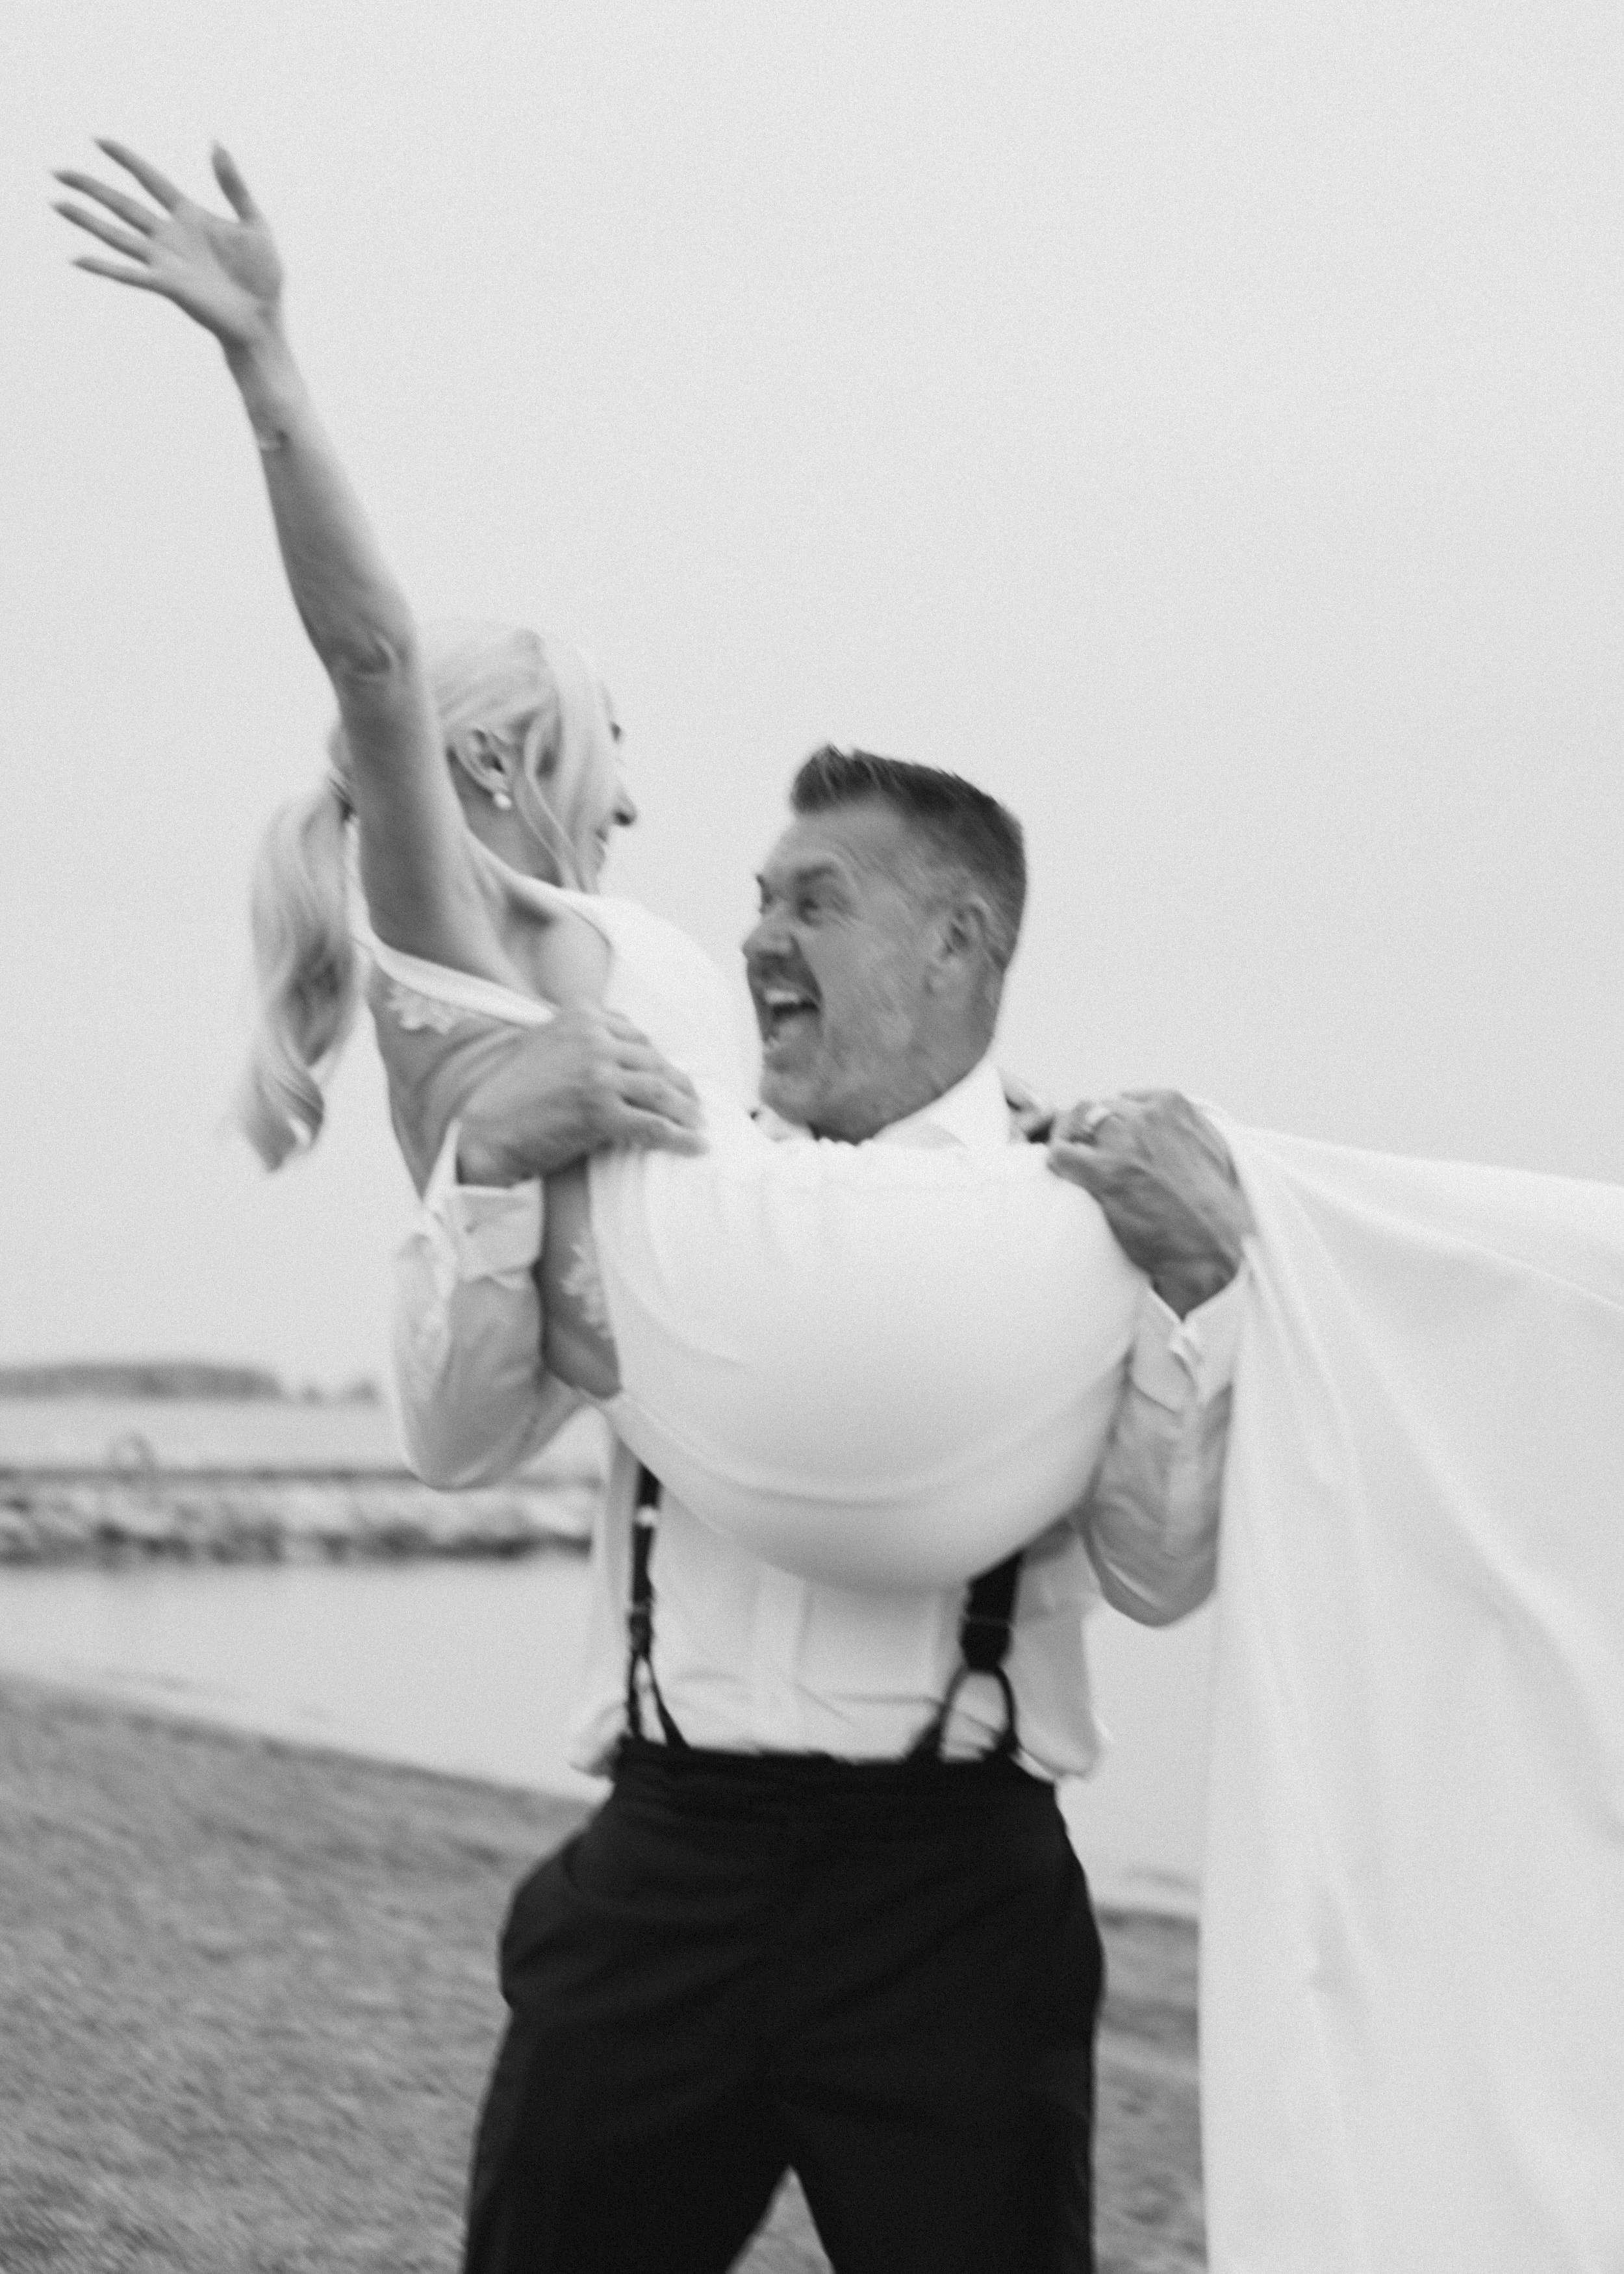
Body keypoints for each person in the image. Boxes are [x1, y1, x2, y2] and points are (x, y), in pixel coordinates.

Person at [55, 141, 1247, 2271]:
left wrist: (1195, 1294)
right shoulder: (657, 1170)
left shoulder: (1060, 1213)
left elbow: (1161, 1574)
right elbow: (447, 1433)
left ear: (961, 942)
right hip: (666, 1872)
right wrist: (496, 1177)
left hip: (957, 1901)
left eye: (818, 899)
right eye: (753, 898)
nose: (753, 926)